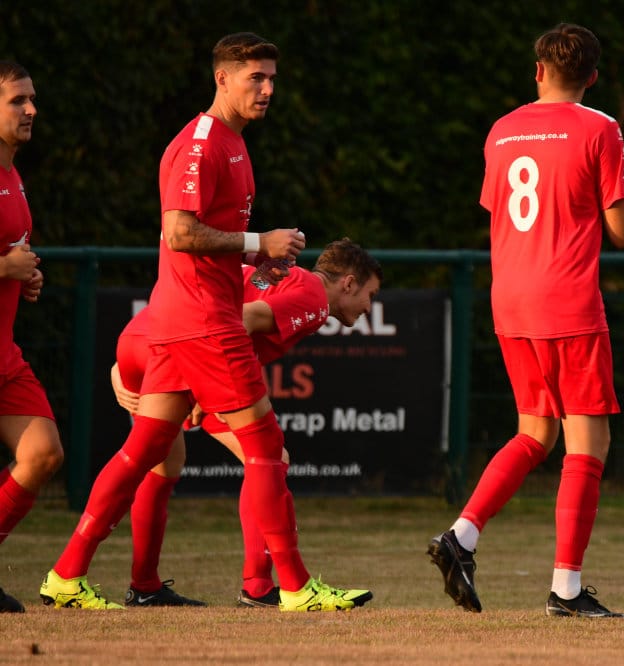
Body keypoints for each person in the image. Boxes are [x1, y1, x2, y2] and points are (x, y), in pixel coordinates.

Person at [41, 32, 365, 612]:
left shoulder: (235, 145)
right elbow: (179, 233)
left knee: (142, 453)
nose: (266, 89)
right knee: (266, 447)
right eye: (254, 78)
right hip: (203, 322)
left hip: (179, 319)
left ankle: (67, 574)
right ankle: (290, 587)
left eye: (271, 78)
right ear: (221, 78)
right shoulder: (200, 145)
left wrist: (252, 255)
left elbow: (204, 239)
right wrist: (255, 239)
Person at [427, 23, 624, 618]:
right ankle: (567, 590)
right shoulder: (601, 127)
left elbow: (513, 205)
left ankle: (463, 535)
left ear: (538, 71)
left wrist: (603, 188)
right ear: (594, 77)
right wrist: (622, 194)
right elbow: (620, 231)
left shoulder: (502, 130)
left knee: (535, 432)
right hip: (569, 301)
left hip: (512, 300)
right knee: (589, 439)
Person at [113, 239, 381, 608]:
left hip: (148, 340)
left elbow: (189, 307)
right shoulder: (313, 297)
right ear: (348, 283)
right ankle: (257, 585)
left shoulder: (278, 274)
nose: (370, 306)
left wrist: (125, 365)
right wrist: (208, 383)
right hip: (191, 355)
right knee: (269, 458)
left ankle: (140, 584)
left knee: (159, 464)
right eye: (371, 294)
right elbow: (240, 320)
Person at [0, 61, 64, 614]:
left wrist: (25, 275)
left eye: (32, 99)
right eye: (18, 100)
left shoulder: (14, 175)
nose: (31, 110)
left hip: (5, 356)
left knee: (43, 453)